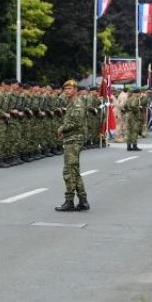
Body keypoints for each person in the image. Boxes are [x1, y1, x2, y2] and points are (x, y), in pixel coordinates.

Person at [55, 80, 90, 212]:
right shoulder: (70, 103)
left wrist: (62, 128)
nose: (67, 91)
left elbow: (76, 122)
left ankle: (69, 201)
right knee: (74, 171)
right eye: (65, 89)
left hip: (75, 140)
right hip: (71, 138)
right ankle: (83, 201)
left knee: (69, 171)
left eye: (69, 89)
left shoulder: (78, 103)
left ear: (75, 90)